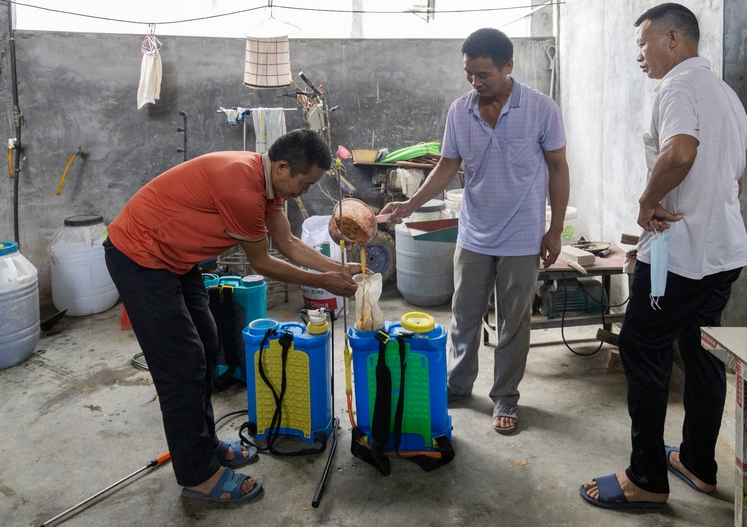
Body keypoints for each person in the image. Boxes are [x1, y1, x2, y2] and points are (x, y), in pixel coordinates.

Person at [104, 129, 361, 503]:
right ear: (283, 166)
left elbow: (289, 243)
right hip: (140, 257)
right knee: (181, 365)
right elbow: (263, 261)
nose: (303, 194)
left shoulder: (268, 183)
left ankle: (204, 444)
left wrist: (339, 268)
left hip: (175, 259)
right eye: (304, 185)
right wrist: (324, 281)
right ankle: (198, 476)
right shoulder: (243, 189)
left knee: (207, 345)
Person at [581, 3, 747, 509]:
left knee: (642, 347)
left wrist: (647, 202)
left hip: (675, 256)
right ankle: (698, 462)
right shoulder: (727, 96)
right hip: (723, 252)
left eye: (643, 43)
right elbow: (737, 179)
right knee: (701, 354)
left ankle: (647, 478)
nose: (639, 55)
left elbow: (680, 152)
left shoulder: (676, 87)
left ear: (673, 39)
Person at [381, 28, 570, 434]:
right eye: (469, 74)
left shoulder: (541, 108)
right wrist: (410, 206)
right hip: (473, 234)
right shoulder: (459, 111)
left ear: (508, 67)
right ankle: (458, 384)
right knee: (463, 315)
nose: (475, 82)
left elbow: (558, 167)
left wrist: (554, 230)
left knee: (513, 323)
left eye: (483, 74)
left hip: (522, 237)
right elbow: (447, 166)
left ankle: (505, 396)